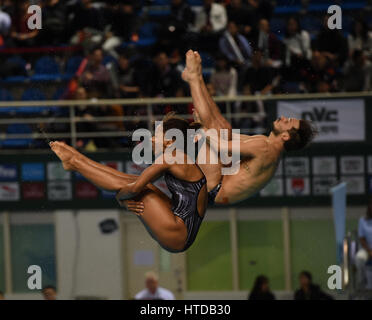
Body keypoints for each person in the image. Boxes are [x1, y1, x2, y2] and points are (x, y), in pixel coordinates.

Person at [127, 50, 317, 211]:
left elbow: (221, 146)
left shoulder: (265, 148)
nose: (283, 118)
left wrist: (202, 128)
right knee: (222, 127)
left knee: (213, 130)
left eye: (288, 121)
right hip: (220, 177)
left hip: (215, 189)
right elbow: (225, 135)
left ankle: (194, 78)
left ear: (285, 136)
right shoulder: (264, 143)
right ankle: (197, 78)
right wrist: (204, 124)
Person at [50, 112, 208, 253]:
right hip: (179, 228)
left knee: (135, 187)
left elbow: (134, 189)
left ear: (169, 141)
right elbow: (136, 185)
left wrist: (120, 199)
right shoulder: (180, 157)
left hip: (178, 233)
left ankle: (76, 162)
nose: (152, 139)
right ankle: (77, 161)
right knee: (138, 184)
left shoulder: (170, 157)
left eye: (157, 135)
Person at [355, 199, 372, 289]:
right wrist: (369, 251)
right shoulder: (362, 220)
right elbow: (362, 238)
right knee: (359, 258)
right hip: (366, 249)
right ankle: (362, 283)